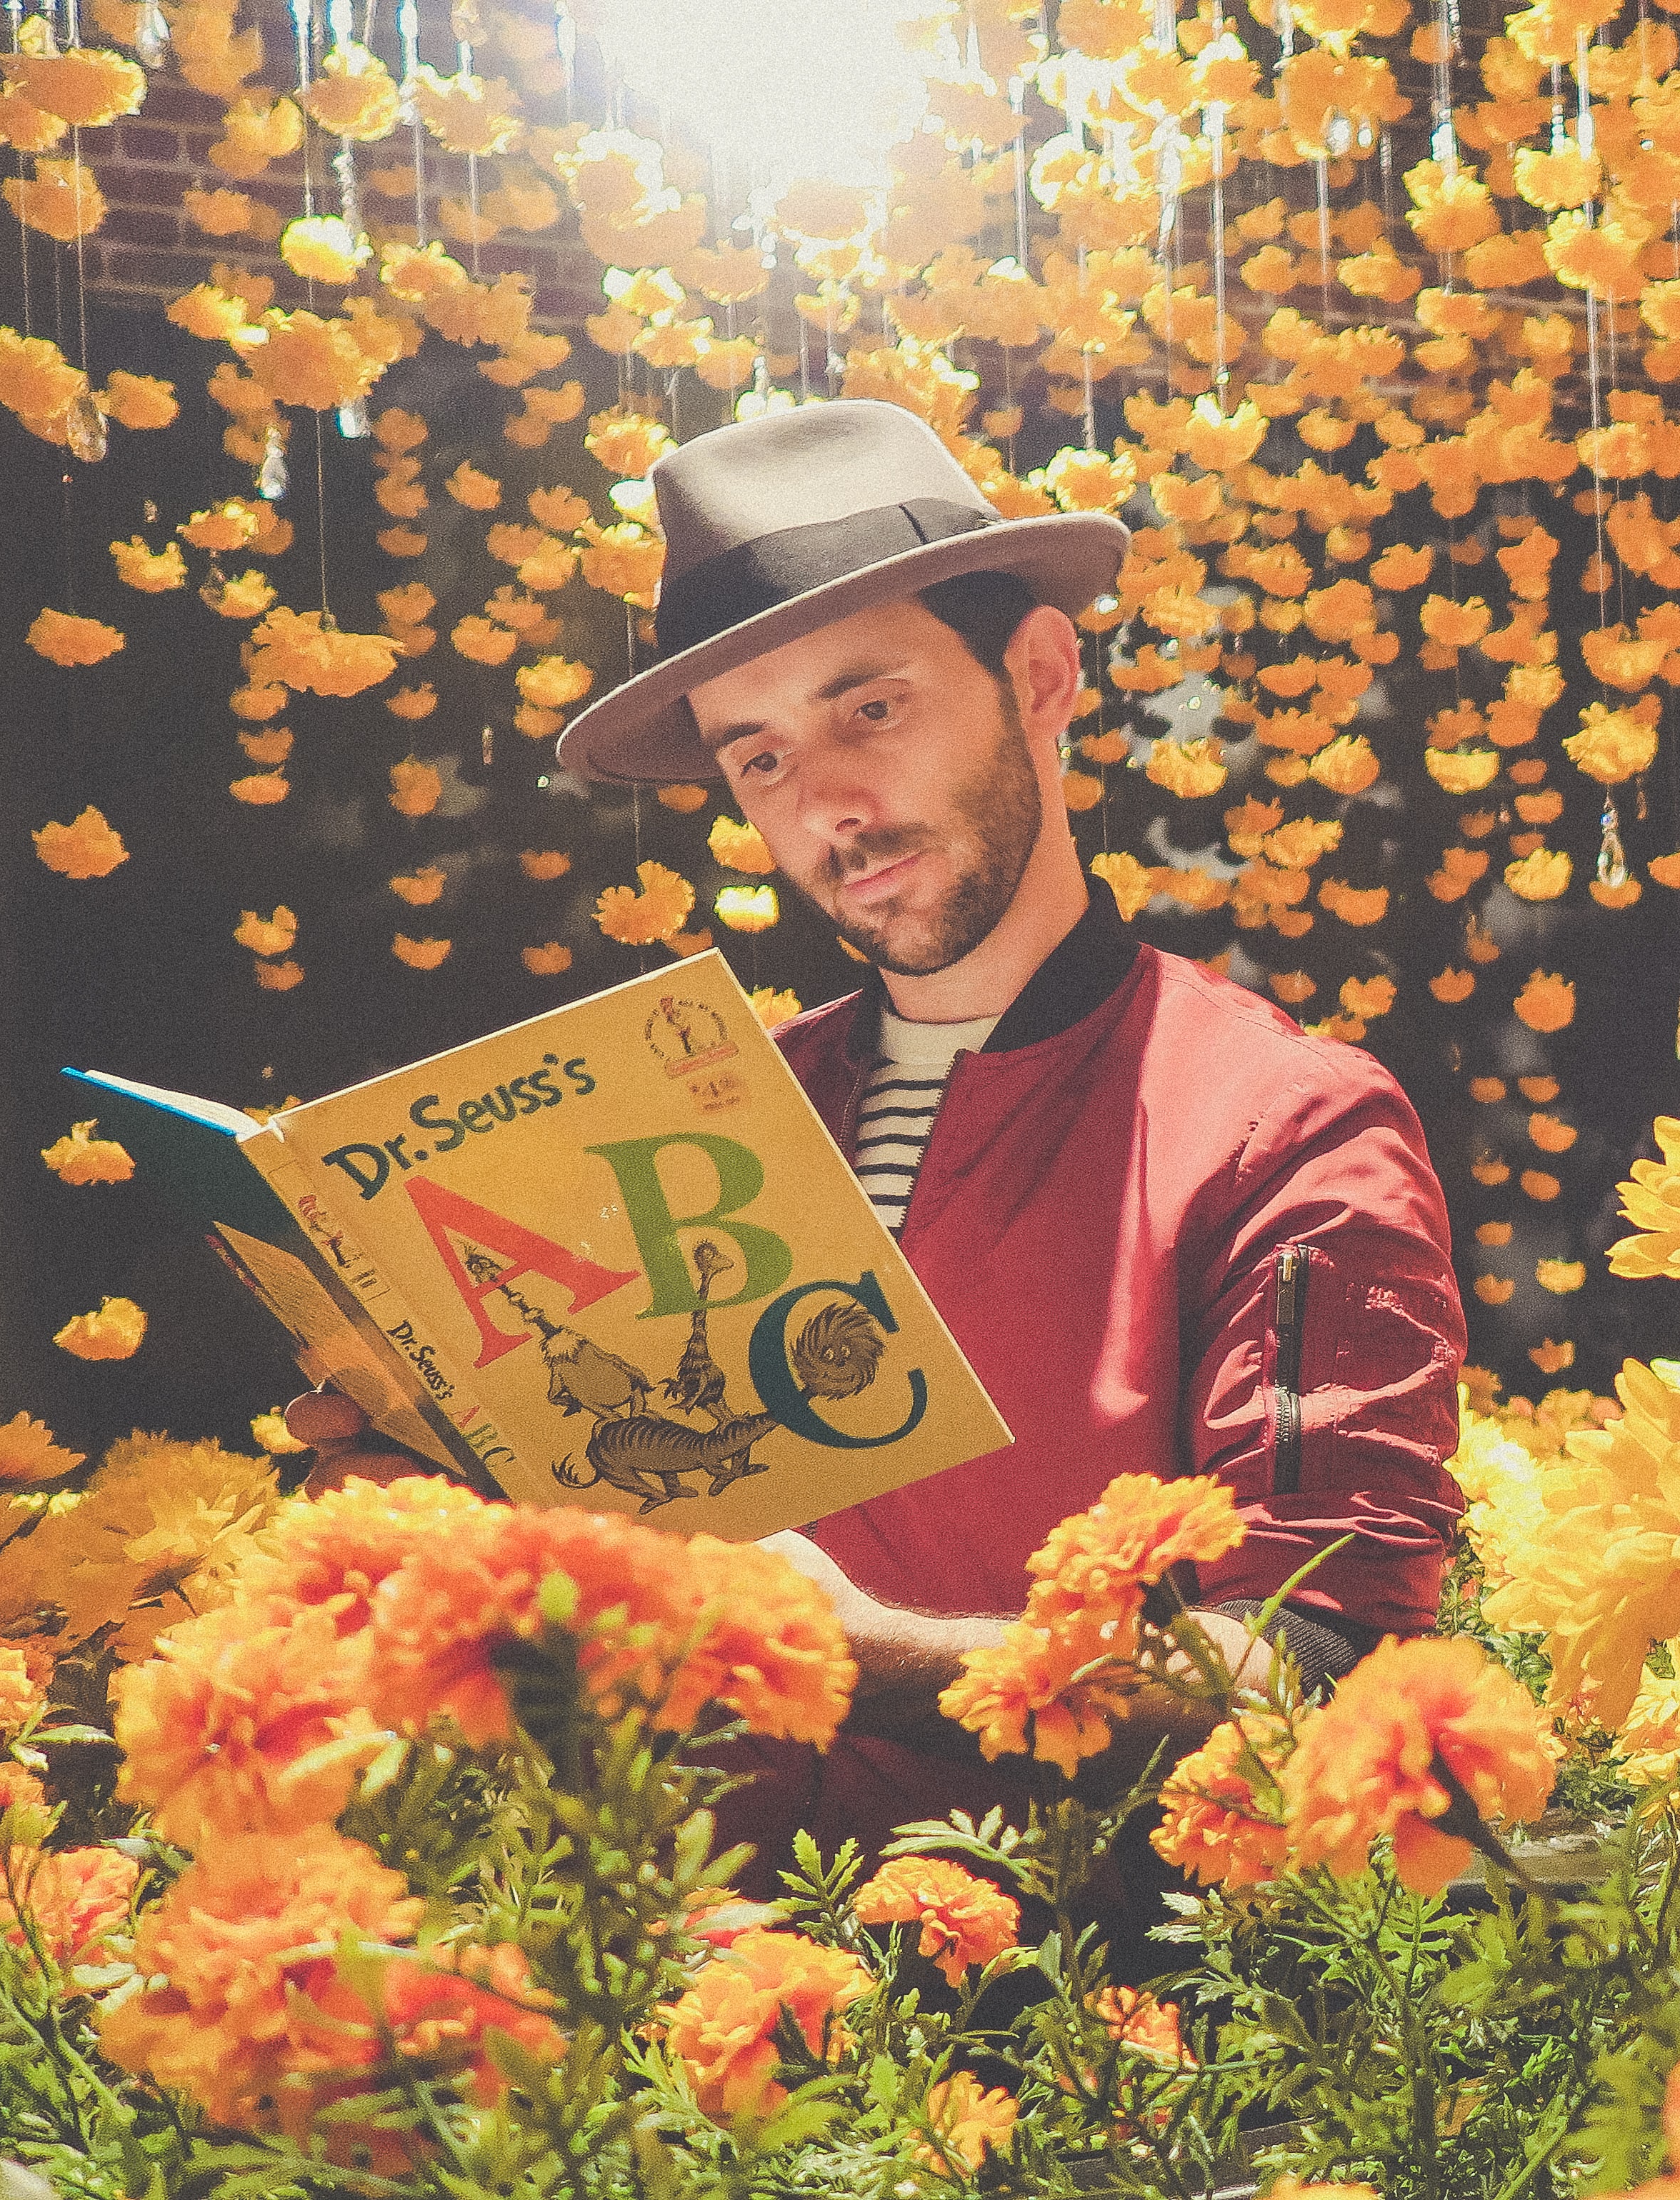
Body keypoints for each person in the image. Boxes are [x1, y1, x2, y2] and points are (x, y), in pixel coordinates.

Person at [526, 398, 1465, 1876]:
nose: (828, 799)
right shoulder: (707, 1120)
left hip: (1105, 2040)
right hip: (698, 2015)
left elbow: (1314, 1670)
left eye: (872, 707)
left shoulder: (1283, 1125)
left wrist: (871, 1653)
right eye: (757, 756)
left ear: (1038, 673)